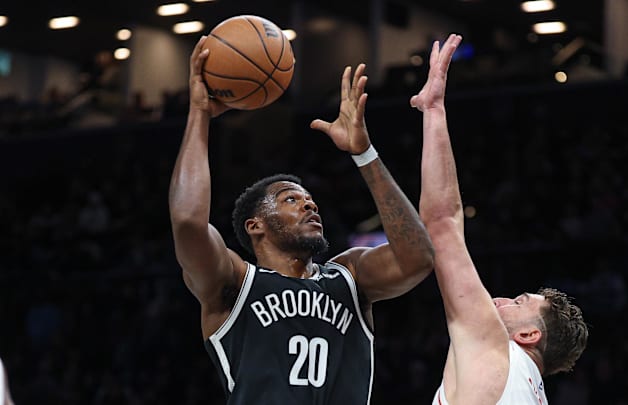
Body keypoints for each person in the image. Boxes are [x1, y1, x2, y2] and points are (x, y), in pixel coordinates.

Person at [169, 36, 435, 404]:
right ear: (255, 225)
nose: (310, 207)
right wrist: (199, 113)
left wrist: (364, 154)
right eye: (291, 199)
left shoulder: (349, 276)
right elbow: (187, 222)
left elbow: (418, 258)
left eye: (311, 201)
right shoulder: (234, 281)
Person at [411, 33, 589, 404]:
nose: (502, 299)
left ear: (527, 335)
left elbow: (442, 221)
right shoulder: (533, 393)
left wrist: (434, 110)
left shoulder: (496, 348)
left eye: (520, 301)